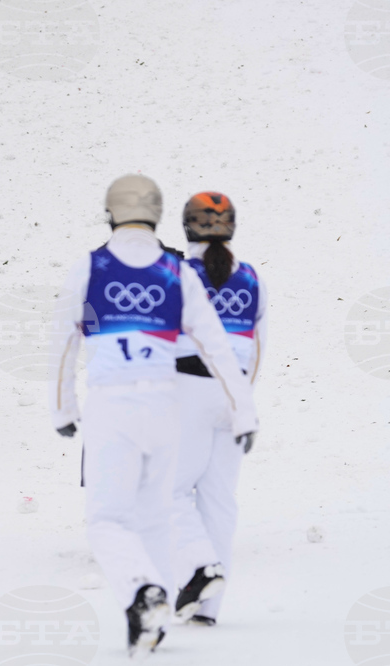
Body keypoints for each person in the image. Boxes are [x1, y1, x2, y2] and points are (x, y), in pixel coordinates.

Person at [48, 175, 257, 658]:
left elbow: (64, 343)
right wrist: (244, 413)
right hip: (166, 404)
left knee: (106, 519)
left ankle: (142, 593)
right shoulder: (176, 271)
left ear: (110, 213)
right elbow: (217, 348)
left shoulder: (91, 266)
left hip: (112, 402)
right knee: (157, 517)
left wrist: (63, 408)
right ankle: (154, 627)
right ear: (158, 215)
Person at [171, 192, 268, 625]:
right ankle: (209, 609)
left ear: (187, 226)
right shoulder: (251, 277)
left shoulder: (175, 274)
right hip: (235, 396)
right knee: (219, 501)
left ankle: (197, 570)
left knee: (165, 492)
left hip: (185, 388)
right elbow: (259, 346)